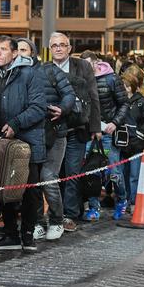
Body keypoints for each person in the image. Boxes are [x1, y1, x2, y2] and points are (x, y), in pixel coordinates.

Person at [0, 36, 47, 252]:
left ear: (15, 53)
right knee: (3, 187)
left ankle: (27, 235)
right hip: (0, 140)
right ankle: (10, 234)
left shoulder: (30, 73)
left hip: (28, 140)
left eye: (2, 49)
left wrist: (16, 124)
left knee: (29, 191)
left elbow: (38, 107)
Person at [17, 37, 75, 241]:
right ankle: (38, 222)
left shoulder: (50, 70)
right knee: (32, 181)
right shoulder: (13, 74)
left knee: (48, 178)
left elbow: (69, 94)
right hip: (29, 135)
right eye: (17, 50)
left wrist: (62, 109)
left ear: (32, 52)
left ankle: (57, 220)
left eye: (24, 50)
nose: (20, 53)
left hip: (54, 133)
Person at [48, 32, 101, 232]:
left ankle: (69, 214)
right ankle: (56, 212)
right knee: (55, 173)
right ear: (50, 49)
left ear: (70, 48)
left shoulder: (83, 67)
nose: (59, 48)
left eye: (63, 45)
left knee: (72, 172)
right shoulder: (45, 69)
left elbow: (93, 97)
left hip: (77, 129)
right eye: (55, 46)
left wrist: (96, 127)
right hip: (54, 129)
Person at [80, 51, 129, 220]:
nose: (87, 68)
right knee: (91, 172)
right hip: (89, 133)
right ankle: (94, 207)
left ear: (96, 62)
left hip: (108, 133)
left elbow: (124, 104)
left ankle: (122, 200)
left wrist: (114, 123)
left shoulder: (111, 78)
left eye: (89, 64)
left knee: (114, 171)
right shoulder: (81, 80)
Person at [120, 72, 144, 208]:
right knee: (122, 173)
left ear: (130, 87)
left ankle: (134, 203)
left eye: (123, 86)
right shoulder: (119, 100)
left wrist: (141, 132)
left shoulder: (140, 101)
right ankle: (124, 200)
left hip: (136, 143)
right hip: (122, 143)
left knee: (134, 175)